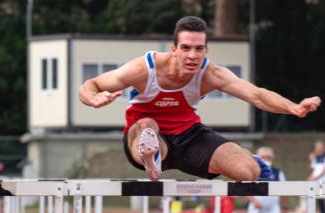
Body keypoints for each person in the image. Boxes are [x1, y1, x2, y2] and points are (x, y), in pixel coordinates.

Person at [78, 16, 321, 182]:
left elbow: (256, 95)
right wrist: (93, 98)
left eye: (198, 49)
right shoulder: (145, 69)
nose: (192, 56)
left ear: (206, 50)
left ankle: (249, 158)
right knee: (146, 126)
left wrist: (294, 107)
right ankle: (151, 156)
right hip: (146, 136)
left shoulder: (211, 73)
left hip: (189, 136)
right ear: (174, 49)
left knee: (247, 172)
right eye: (185, 48)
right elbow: (91, 85)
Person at [247, 147, 285, 213]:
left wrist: (284, 209)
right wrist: (254, 201)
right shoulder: (252, 172)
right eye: (263, 157)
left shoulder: (278, 173)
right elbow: (245, 189)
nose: (266, 159)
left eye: (269, 157)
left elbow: (284, 192)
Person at [307, 140, 325, 213]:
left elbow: (323, 171)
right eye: (317, 147)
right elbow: (312, 171)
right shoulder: (315, 158)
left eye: (321, 147)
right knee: (321, 207)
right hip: (317, 185)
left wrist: (314, 178)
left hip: (323, 184)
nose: (319, 149)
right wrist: (311, 160)